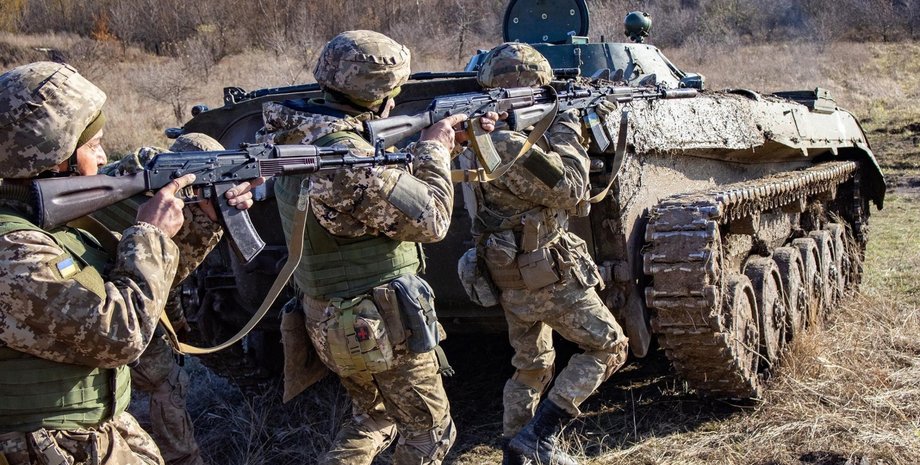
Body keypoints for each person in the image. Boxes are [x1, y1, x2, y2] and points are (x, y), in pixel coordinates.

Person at [0, 61, 260, 465]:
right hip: (44, 446)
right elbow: (121, 334)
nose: (103, 156)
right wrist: (150, 234)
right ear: (54, 157)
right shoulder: (15, 248)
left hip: (91, 431)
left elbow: (139, 287)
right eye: (93, 145)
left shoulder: (47, 224)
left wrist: (203, 218)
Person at [257, 30, 497, 465]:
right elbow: (433, 220)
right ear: (382, 93)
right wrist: (434, 150)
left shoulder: (298, 132)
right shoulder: (342, 154)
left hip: (333, 314)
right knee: (430, 436)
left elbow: (367, 189)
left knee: (374, 417)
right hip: (375, 319)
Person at [459, 43, 630, 465]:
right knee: (610, 348)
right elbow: (572, 188)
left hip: (506, 271)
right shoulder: (506, 143)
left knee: (532, 366)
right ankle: (541, 435)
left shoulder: (475, 134)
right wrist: (568, 122)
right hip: (542, 274)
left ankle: (517, 451)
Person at [93, 133, 231, 465]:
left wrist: (210, 220)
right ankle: (183, 457)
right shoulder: (136, 199)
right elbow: (158, 275)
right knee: (165, 382)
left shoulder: (130, 181)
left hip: (121, 304)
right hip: (112, 307)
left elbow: (166, 280)